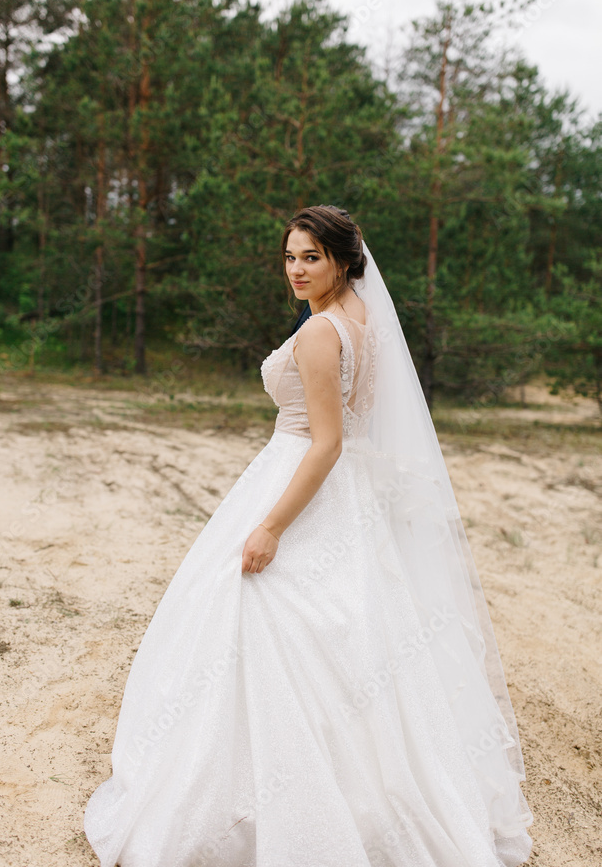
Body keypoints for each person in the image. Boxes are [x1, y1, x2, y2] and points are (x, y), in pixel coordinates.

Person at [84, 205, 534, 867]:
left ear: (344, 261)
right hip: (346, 491)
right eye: (290, 257)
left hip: (304, 476)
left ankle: (275, 804)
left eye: (311, 258)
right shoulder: (362, 317)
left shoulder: (322, 331)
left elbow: (325, 443)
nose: (296, 270)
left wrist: (270, 526)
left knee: (255, 612)